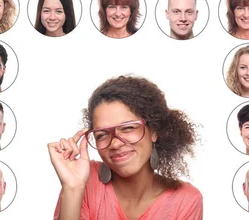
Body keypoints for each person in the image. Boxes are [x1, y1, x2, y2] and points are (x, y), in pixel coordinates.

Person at [48, 75, 202, 219]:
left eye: (128, 128)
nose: (115, 143)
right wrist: (73, 188)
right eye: (102, 135)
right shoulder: (84, 179)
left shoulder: (186, 200)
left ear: (153, 131)